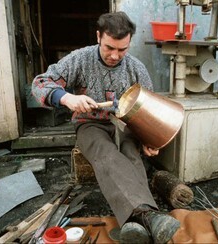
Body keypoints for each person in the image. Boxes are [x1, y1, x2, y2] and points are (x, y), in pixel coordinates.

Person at [32, 11, 180, 243]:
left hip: (126, 124)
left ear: (129, 43)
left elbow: (148, 108)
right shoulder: (79, 59)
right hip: (89, 123)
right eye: (109, 47)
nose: (115, 55)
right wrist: (66, 98)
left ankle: (135, 223)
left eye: (122, 50)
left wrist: (150, 140)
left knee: (132, 153)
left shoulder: (136, 68)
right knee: (106, 153)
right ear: (99, 36)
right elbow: (40, 83)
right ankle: (149, 217)